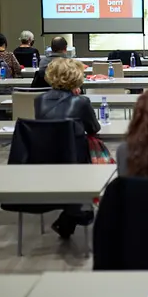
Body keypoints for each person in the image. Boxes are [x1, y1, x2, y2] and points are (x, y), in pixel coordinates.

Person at [33, 58, 99, 238]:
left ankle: (72, 214)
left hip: (45, 160)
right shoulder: (81, 102)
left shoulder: (39, 101)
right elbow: (94, 128)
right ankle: (75, 212)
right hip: (75, 163)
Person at [35, 58, 100, 136]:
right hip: (73, 147)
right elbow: (93, 129)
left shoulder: (39, 99)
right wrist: (77, 97)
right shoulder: (81, 101)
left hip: (44, 146)